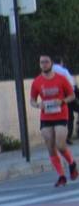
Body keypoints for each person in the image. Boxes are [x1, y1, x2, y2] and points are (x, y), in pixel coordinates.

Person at [30, 54, 77, 188]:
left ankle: (72, 163)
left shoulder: (61, 79)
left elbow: (72, 95)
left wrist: (62, 101)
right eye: (41, 62)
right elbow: (32, 100)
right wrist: (39, 105)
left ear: (51, 63)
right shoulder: (37, 81)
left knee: (60, 145)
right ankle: (61, 176)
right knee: (50, 147)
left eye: (46, 62)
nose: (44, 64)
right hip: (46, 117)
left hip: (61, 115)